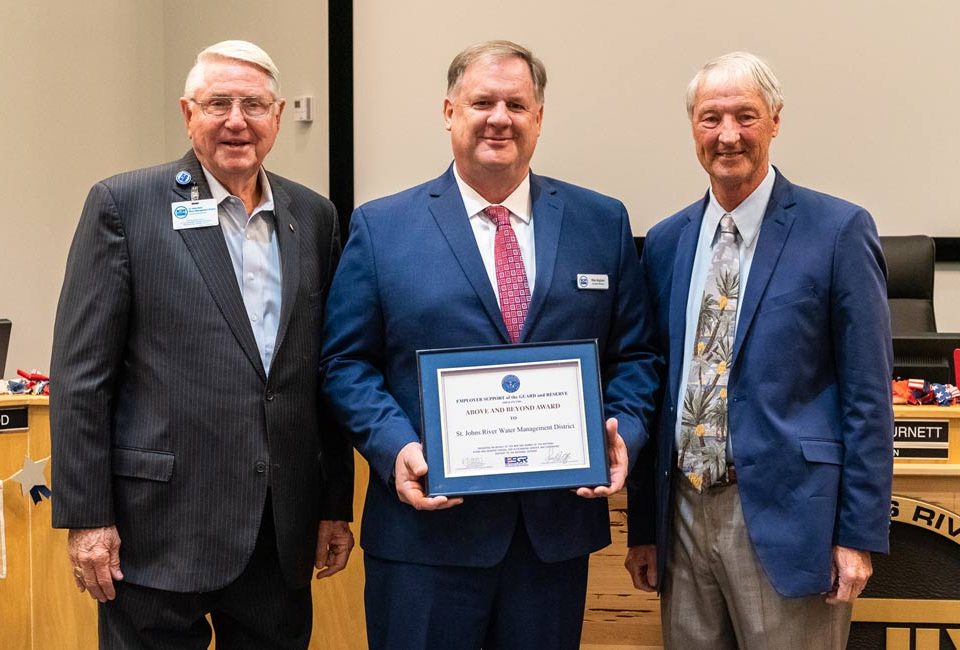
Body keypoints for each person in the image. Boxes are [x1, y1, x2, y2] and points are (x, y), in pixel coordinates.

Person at [320, 40, 660, 649]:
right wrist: (394, 446)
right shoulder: (382, 227)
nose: (499, 118)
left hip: (550, 539)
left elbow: (636, 356)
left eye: (516, 104)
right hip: (425, 536)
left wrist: (622, 435)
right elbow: (346, 364)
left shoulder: (600, 221)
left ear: (539, 118)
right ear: (449, 111)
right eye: (482, 102)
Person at [50, 40, 354, 649]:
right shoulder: (124, 206)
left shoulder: (314, 217)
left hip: (279, 529)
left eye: (253, 105)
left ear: (278, 114)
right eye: (218, 103)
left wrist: (333, 502)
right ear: (188, 114)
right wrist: (87, 519)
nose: (236, 120)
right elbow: (82, 375)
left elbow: (323, 371)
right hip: (156, 532)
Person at [624, 51, 893, 648]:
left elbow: (869, 398)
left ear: (775, 120)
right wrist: (645, 527)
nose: (727, 135)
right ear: (692, 126)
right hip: (684, 517)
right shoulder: (667, 241)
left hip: (791, 519)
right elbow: (658, 383)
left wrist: (858, 534)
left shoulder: (838, 230)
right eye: (709, 117)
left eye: (744, 116)